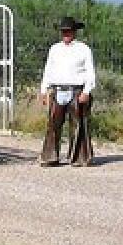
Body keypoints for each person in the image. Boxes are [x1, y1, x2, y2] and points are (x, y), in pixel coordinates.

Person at [38, 15, 96, 166]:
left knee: (78, 125)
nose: (66, 34)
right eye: (64, 32)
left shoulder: (84, 49)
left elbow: (90, 72)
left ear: (74, 32)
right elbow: (48, 70)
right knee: (53, 124)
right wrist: (44, 90)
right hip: (57, 90)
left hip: (77, 90)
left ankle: (79, 158)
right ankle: (50, 157)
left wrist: (87, 91)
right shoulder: (54, 49)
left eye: (69, 31)